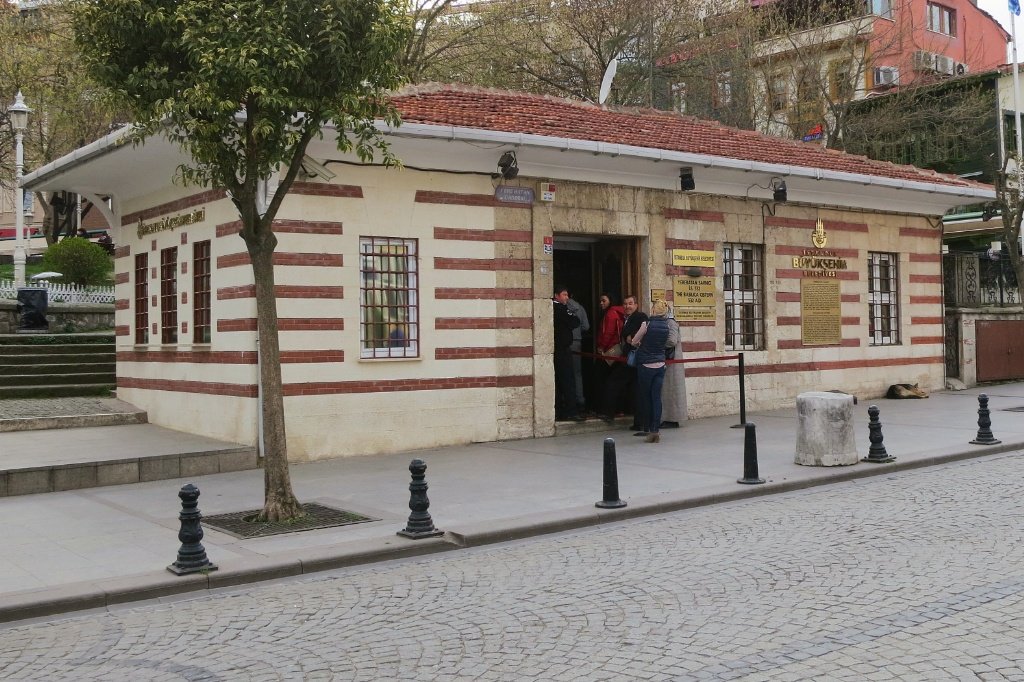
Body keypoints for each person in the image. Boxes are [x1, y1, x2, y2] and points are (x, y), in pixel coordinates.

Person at [602, 294, 647, 427]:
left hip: (633, 359)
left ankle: (608, 413)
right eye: (625, 304)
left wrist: (632, 336)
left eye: (630, 303)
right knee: (634, 390)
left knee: (613, 382)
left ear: (636, 305)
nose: (627, 306)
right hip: (629, 359)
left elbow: (644, 329)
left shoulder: (640, 316)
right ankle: (638, 422)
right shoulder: (626, 318)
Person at [629, 299, 671, 443]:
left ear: (653, 310)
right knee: (656, 398)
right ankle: (655, 430)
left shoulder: (646, 324)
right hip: (660, 364)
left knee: (645, 397)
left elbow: (634, 341)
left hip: (646, 364)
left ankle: (647, 427)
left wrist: (641, 343)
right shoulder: (667, 326)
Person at [552, 285, 583, 422]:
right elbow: (575, 321)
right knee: (567, 381)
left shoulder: (555, 307)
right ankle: (570, 411)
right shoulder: (560, 308)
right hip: (562, 350)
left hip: (557, 349)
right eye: (564, 294)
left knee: (559, 382)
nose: (567, 297)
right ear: (556, 295)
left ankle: (559, 410)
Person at [660, 305, 687, 428]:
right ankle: (668, 418)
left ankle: (672, 419)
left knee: (672, 390)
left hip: (672, 361)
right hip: (669, 361)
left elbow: (671, 341)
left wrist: (657, 344)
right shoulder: (667, 322)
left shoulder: (670, 323)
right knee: (667, 390)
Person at [565, 292, 590, 415]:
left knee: (566, 374)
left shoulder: (563, 306)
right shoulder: (580, 308)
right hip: (577, 342)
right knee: (577, 374)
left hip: (565, 343)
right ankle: (580, 400)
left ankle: (568, 403)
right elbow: (586, 326)